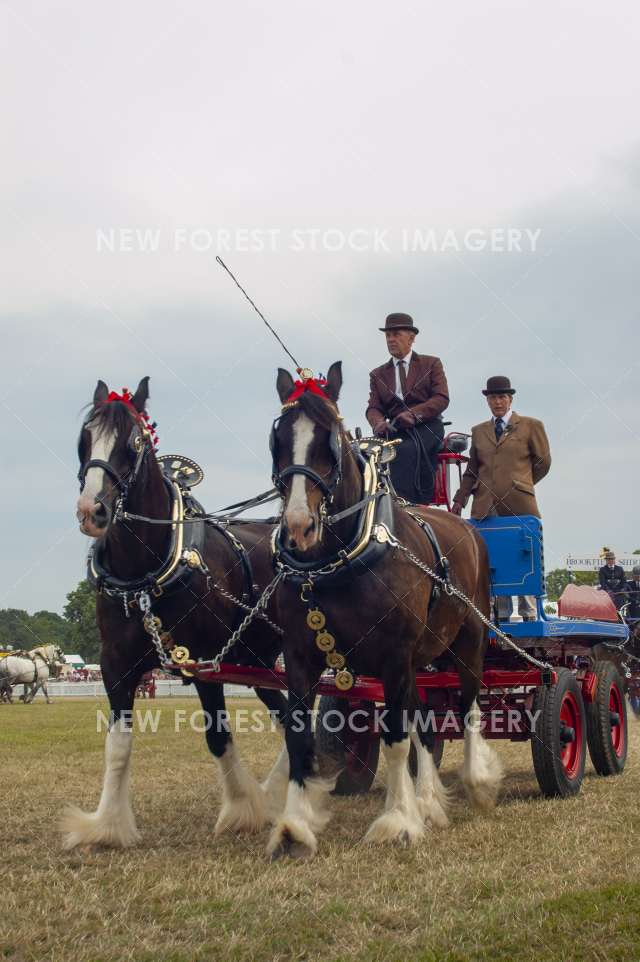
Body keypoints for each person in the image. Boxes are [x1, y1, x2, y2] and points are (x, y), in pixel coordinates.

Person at [452, 375, 551, 621]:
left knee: (523, 553)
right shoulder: (479, 431)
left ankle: (529, 613)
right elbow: (472, 471)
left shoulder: (530, 425)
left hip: (520, 502)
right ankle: (502, 614)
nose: (497, 402)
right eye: (493, 397)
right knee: (494, 557)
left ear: (510, 399)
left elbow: (543, 462)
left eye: (502, 397)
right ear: (487, 401)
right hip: (485, 504)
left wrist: (522, 483)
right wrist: (460, 499)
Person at [366, 313, 449, 503]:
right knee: (363, 455)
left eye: (396, 334)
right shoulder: (378, 374)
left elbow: (441, 398)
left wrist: (414, 414)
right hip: (394, 430)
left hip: (426, 426)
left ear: (411, 338)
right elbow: (373, 407)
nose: (391, 339)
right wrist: (378, 422)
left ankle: (406, 504)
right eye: (388, 336)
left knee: (403, 452)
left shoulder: (431, 364)